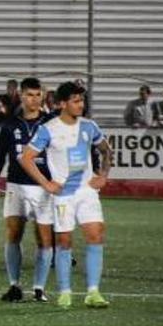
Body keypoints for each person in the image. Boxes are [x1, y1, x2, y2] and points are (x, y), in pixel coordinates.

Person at [20, 81, 113, 309]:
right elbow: (26, 158)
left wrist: (103, 175)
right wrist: (46, 183)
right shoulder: (48, 129)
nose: (81, 104)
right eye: (76, 101)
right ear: (62, 103)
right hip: (63, 196)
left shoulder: (89, 126)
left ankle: (93, 292)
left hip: (87, 193)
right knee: (64, 242)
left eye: (82, 100)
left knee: (96, 236)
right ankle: (65, 292)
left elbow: (106, 149)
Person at [0, 77, 55, 302]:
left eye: (38, 95)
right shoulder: (10, 124)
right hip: (16, 185)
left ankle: (39, 287)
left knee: (44, 239)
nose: (34, 99)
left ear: (43, 96)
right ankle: (14, 285)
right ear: (21, 96)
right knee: (13, 235)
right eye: (29, 95)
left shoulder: (52, 122)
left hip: (44, 188)